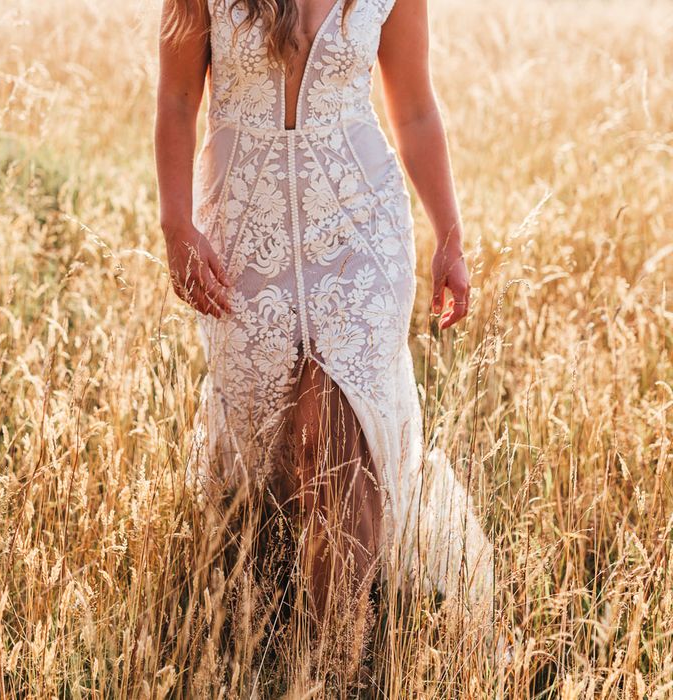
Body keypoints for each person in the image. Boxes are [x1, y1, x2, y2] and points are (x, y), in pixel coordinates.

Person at [154, 0, 495, 666]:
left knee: (338, 430)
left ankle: (336, 663)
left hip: (361, 224)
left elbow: (416, 109)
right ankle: (268, 607)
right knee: (276, 447)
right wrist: (176, 225)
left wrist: (449, 239)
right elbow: (174, 99)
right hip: (245, 232)